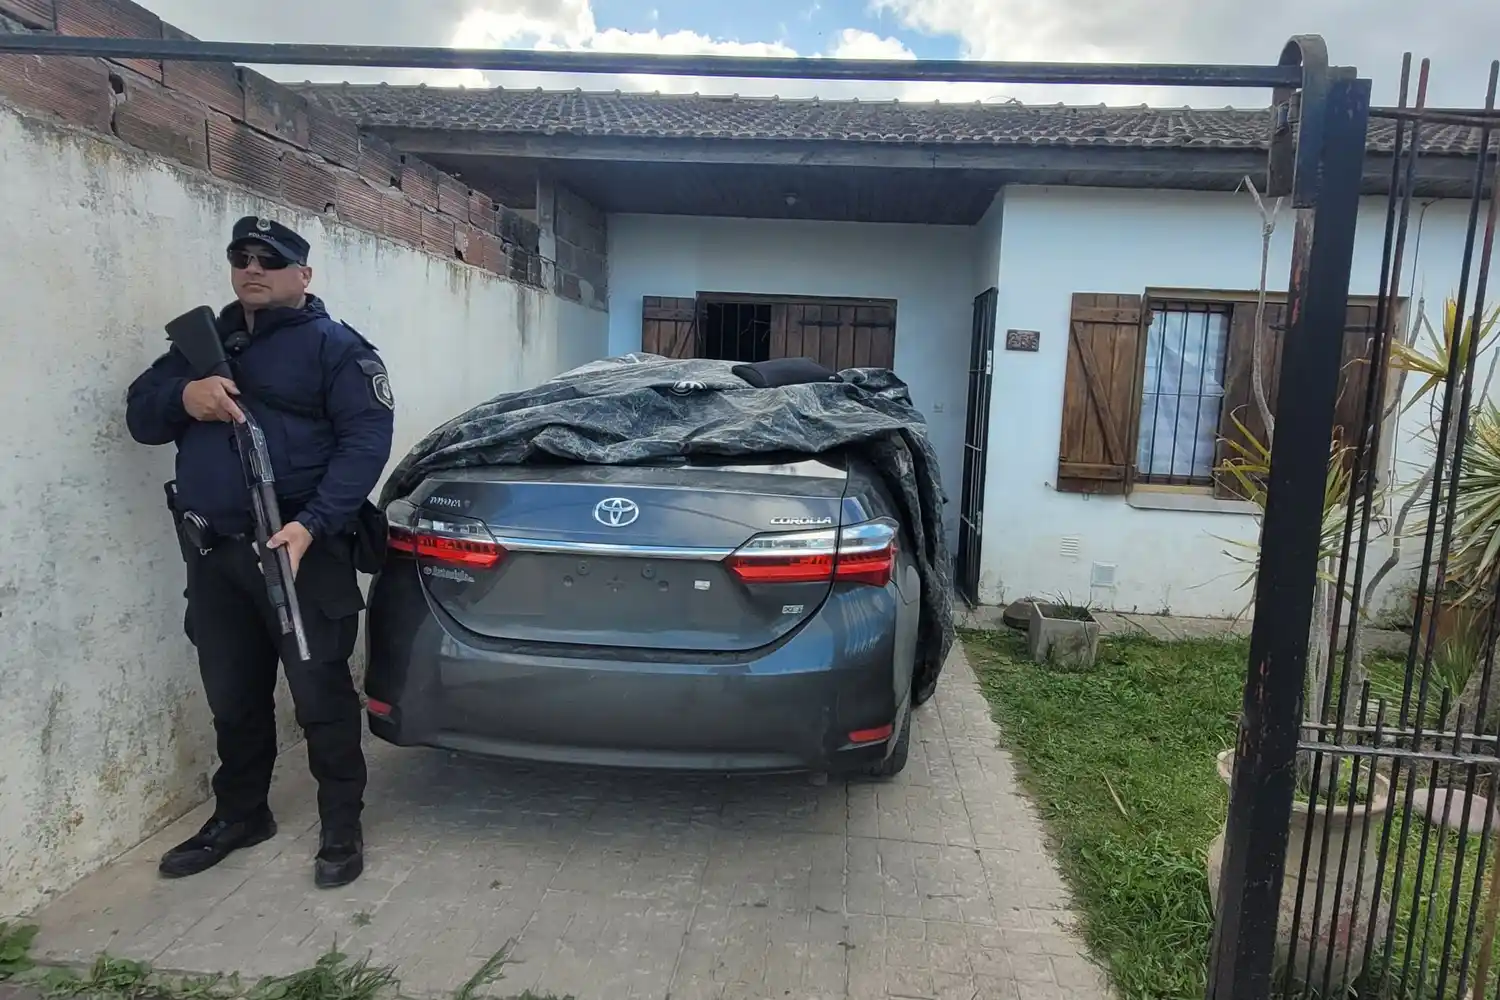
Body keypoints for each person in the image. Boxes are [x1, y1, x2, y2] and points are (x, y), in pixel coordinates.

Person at [126, 216, 396, 889]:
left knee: (321, 697)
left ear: (303, 275)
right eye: (241, 257)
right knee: (234, 695)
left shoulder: (337, 349)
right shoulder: (201, 345)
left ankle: (341, 823)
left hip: (301, 550)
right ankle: (242, 815)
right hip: (216, 553)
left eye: (270, 261)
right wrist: (185, 396)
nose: (253, 269)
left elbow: (365, 445)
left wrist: (312, 526)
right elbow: (141, 416)